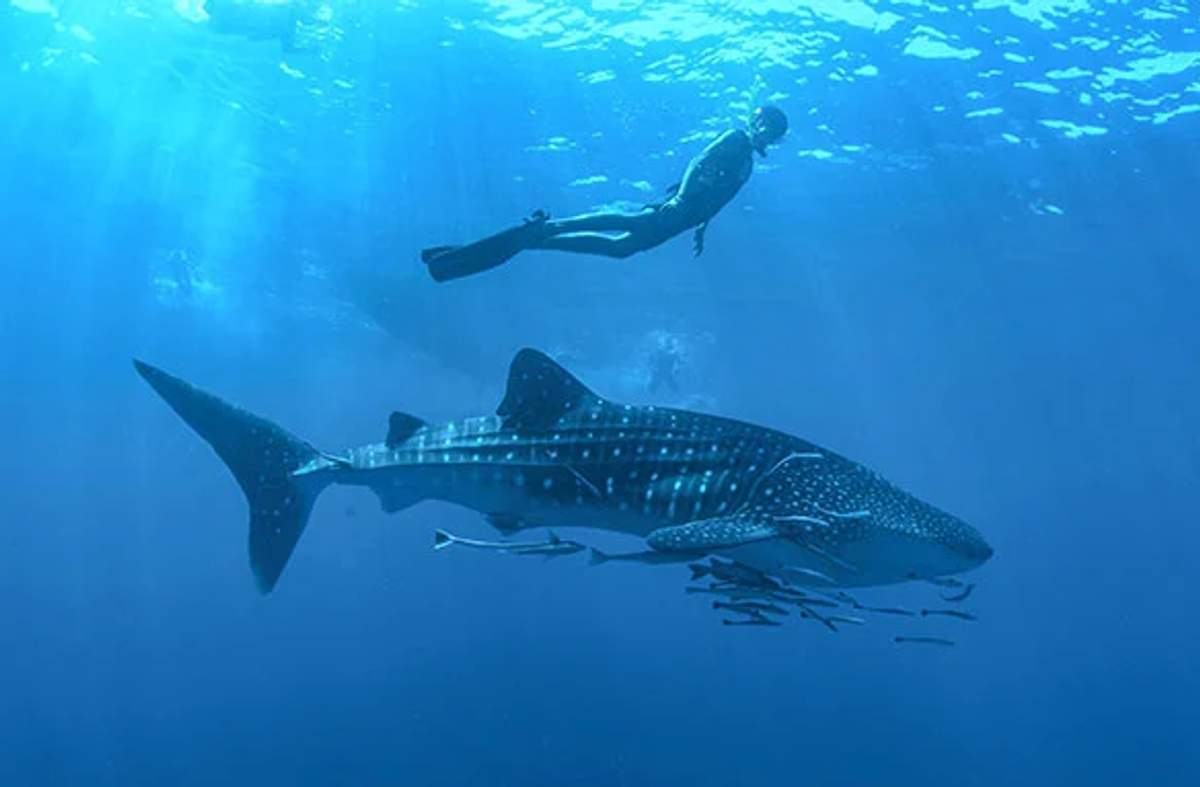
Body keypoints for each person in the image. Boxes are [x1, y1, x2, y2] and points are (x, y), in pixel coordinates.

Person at [421, 105, 789, 282]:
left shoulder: (748, 162)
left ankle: (541, 237)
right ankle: (549, 229)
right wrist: (683, 199)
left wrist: (703, 226)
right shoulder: (736, 138)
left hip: (686, 218)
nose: (767, 136)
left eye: (773, 134)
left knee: (622, 248)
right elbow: (698, 161)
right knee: (628, 222)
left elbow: (720, 197)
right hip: (677, 209)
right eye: (767, 128)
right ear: (759, 124)